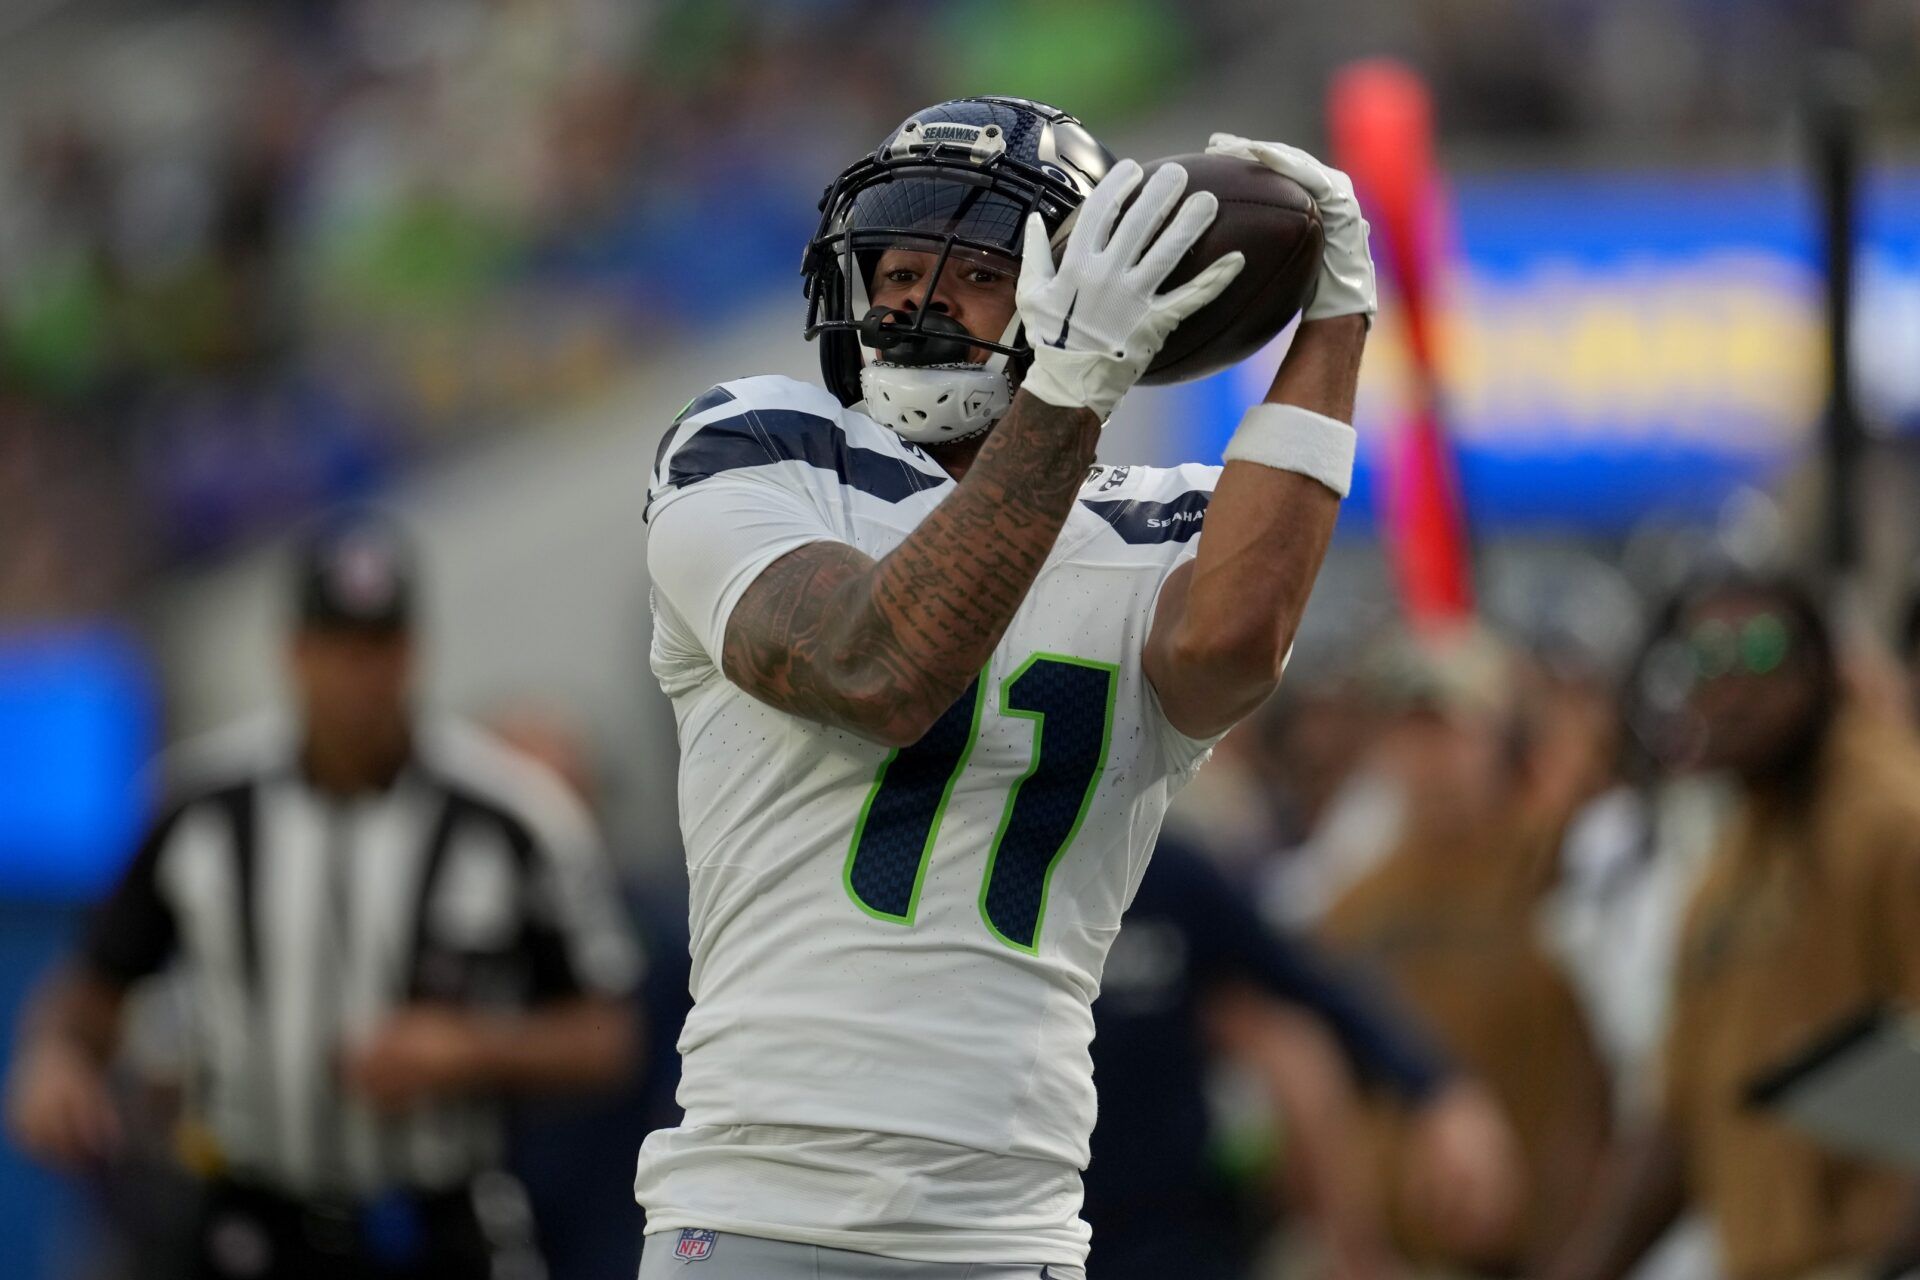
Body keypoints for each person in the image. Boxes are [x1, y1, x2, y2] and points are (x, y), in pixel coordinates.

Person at [637, 95, 1372, 1277]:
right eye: (899, 263)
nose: (916, 298)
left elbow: (1233, 649)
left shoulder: (1153, 522)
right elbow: (873, 665)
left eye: (977, 269)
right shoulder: (760, 446)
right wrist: (1072, 384)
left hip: (1014, 1221)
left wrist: (1336, 317)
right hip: (759, 1199)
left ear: (1086, 290)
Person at [4, 515, 642, 1280]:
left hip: (441, 1216)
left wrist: (469, 1048)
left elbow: (608, 1033)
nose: (357, 677)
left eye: (377, 648)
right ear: (294, 652)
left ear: (412, 652)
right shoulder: (200, 808)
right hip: (251, 1218)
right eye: (336, 648)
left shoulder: (510, 816)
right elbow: (95, 986)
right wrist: (56, 1058)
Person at [1544, 571, 1920, 1280]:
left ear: (1822, 666)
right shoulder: (1729, 862)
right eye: (1704, 658)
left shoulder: (1890, 823)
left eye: (1762, 649)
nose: (1732, 683)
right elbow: (1676, 1127)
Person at [1085, 835, 1520, 1280]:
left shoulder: (1161, 873)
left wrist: (1438, 1090)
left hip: (1176, 1236)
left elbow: (1314, 984)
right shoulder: (1015, 882)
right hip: (1034, 1231)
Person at [1319, 626, 1613, 1275]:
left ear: (1501, 741)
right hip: (1403, 1258)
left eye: (1449, 729)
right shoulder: (1354, 904)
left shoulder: (1564, 862)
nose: (1429, 757)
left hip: (1551, 1249)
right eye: (1406, 732)